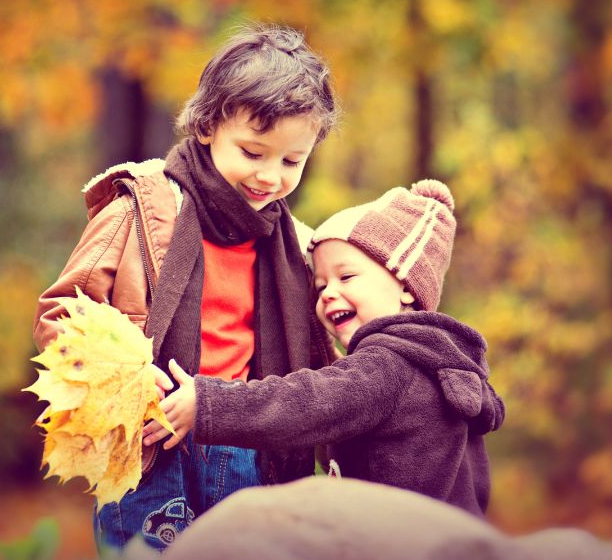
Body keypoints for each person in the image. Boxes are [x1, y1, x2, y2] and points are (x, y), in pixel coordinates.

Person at [32, 24, 340, 552]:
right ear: (207, 126)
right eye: (253, 151)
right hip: (150, 448)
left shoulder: (294, 247)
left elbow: (327, 367)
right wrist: (131, 381)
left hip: (247, 452)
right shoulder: (142, 211)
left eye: (292, 161)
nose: (270, 176)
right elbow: (63, 315)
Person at [145, 180, 506, 516]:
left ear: (407, 286)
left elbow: (305, 404)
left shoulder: (388, 366)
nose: (328, 292)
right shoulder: (438, 364)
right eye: (320, 286)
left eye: (346, 276)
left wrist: (208, 403)